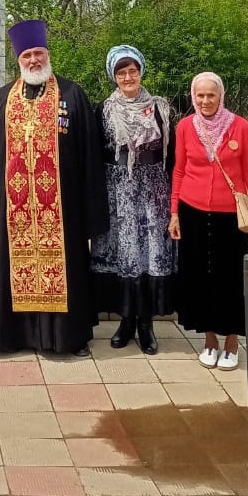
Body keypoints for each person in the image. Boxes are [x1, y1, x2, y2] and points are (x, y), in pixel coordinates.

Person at [0, 19, 108, 356]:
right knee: (10, 270)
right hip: (13, 210)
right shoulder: (4, 99)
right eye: (27, 55)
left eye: (38, 53)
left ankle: (69, 338)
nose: (34, 60)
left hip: (62, 209)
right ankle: (12, 336)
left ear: (48, 54)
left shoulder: (72, 94)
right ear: (19, 60)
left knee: (67, 270)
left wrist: (90, 211)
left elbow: (90, 155)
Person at [168, 71, 248, 371]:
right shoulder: (185, 127)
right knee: (199, 278)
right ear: (193, 96)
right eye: (200, 95)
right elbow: (179, 170)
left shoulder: (240, 126)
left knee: (230, 278)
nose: (205, 101)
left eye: (210, 95)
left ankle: (232, 341)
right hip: (193, 211)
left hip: (230, 216)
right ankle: (210, 339)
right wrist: (174, 212)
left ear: (221, 96)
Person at [90, 45, 175, 356]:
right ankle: (125, 321)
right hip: (118, 194)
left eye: (132, 71)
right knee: (125, 256)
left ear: (141, 72)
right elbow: (94, 153)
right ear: (113, 76)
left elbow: (172, 155)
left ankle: (146, 324)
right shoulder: (103, 110)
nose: (128, 77)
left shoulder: (160, 108)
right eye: (121, 72)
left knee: (149, 256)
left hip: (153, 193)